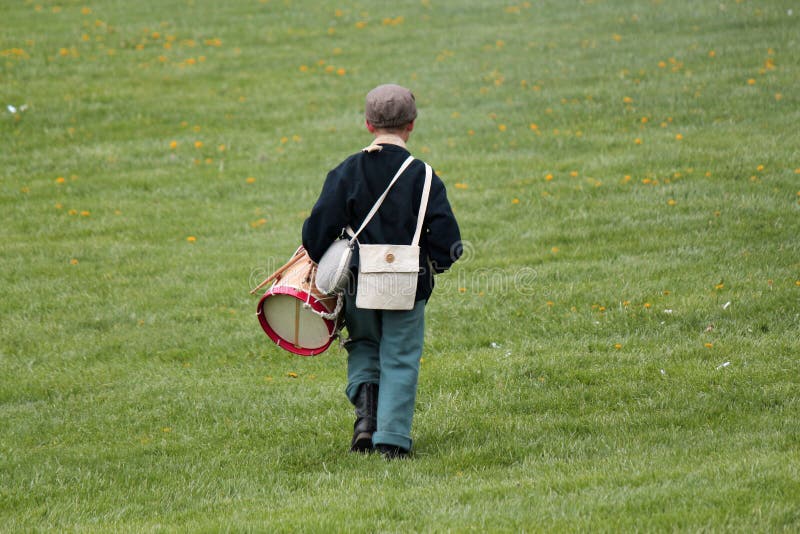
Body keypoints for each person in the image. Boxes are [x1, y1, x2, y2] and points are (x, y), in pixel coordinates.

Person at [302, 84, 462, 459]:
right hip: (408, 283)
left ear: (368, 124)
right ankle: (391, 439)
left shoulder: (347, 171)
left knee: (363, 345)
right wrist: (426, 265)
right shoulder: (424, 176)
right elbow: (449, 242)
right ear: (411, 125)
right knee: (401, 355)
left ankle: (366, 423)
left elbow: (315, 235)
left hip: (357, 282)